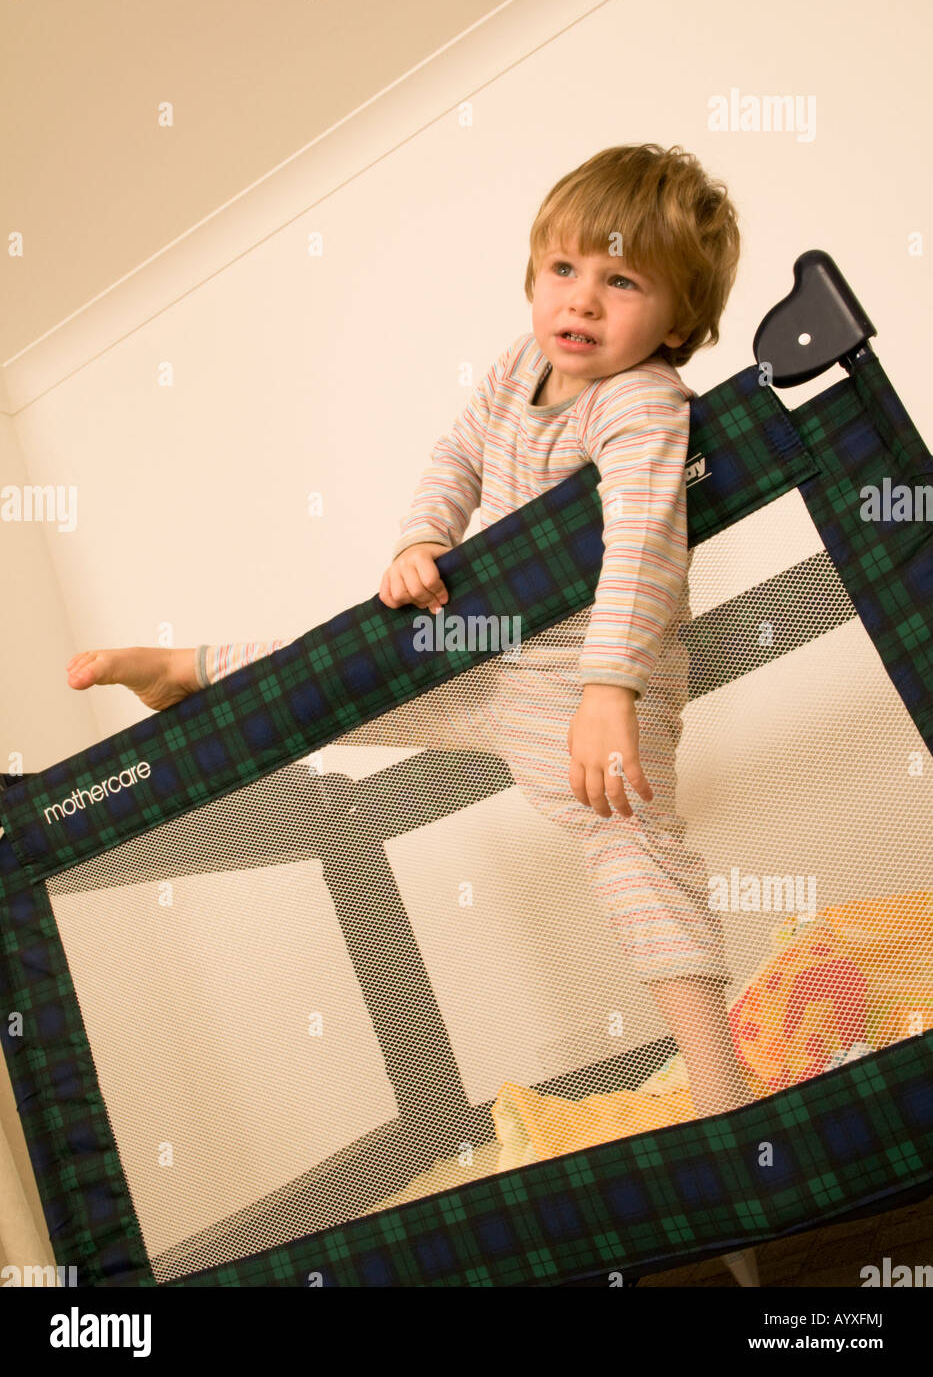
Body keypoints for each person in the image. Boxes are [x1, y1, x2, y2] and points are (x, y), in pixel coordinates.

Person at [65, 143, 756, 1121]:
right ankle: (191, 670)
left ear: (678, 321)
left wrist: (612, 691)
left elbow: (646, 543)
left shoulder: (641, 403)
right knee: (344, 667)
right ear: (534, 274)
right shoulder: (519, 365)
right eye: (564, 269)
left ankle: (728, 1099)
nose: (583, 301)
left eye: (623, 281)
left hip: (587, 688)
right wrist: (422, 536)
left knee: (637, 860)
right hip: (484, 648)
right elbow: (458, 454)